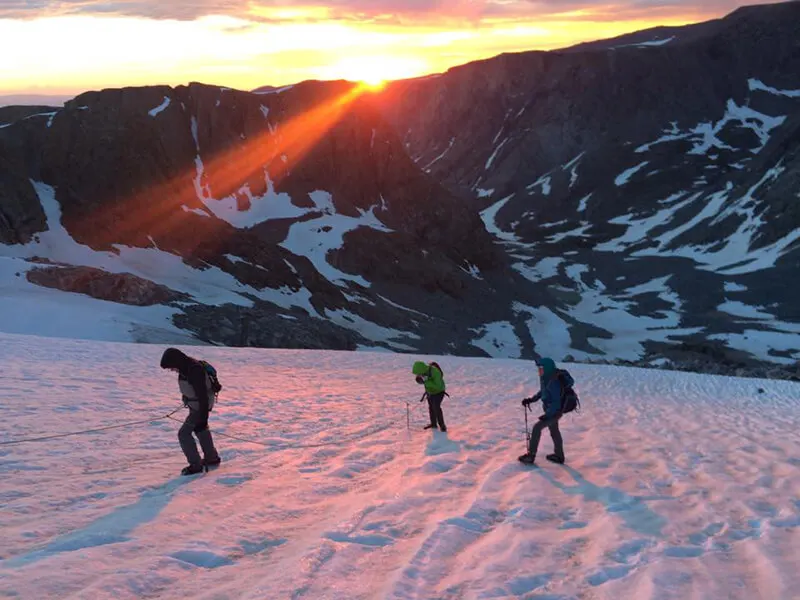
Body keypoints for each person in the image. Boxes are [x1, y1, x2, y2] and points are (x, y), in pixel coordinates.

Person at [160, 348, 221, 475]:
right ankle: (212, 458)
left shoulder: (194, 370)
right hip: (197, 406)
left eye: (171, 367)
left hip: (200, 407)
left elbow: (202, 395)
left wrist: (203, 415)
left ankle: (196, 465)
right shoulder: (186, 367)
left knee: (184, 434)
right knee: (200, 428)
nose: (172, 370)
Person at [518, 357, 566, 465]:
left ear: (547, 368)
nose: (539, 370)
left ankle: (531, 456)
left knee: (536, 428)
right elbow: (542, 392)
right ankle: (559, 455)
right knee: (554, 431)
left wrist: (547, 415)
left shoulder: (553, 382)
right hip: (552, 411)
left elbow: (556, 402)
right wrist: (531, 400)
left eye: (541, 368)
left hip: (554, 412)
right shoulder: (547, 379)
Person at [412, 361, 447, 432]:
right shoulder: (423, 373)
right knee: (431, 407)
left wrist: (426, 382)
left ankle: (442, 425)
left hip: (439, 392)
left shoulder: (435, 372)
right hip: (430, 392)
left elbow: (438, 386)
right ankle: (433, 424)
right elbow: (426, 382)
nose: (418, 375)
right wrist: (421, 381)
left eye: (418, 373)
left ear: (421, 370)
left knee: (436, 407)